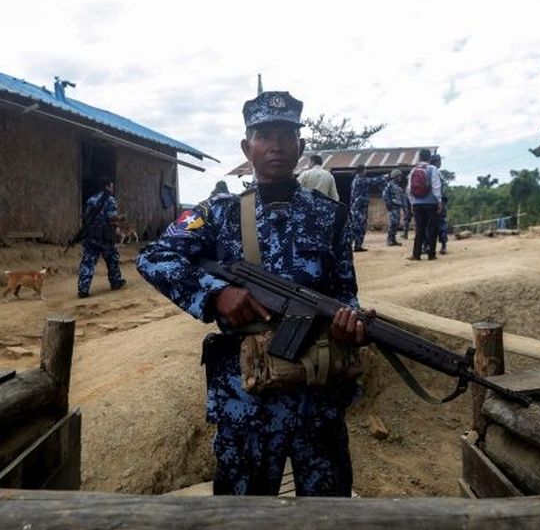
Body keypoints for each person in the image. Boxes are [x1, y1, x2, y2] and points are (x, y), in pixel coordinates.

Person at [136, 90, 367, 497]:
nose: (276, 144)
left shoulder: (331, 216)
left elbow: (346, 294)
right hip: (246, 401)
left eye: (286, 134)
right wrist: (215, 294)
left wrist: (350, 323)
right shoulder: (217, 213)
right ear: (248, 147)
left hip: (318, 398)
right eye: (264, 135)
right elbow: (154, 257)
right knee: (240, 524)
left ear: (301, 145)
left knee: (329, 521)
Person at [77, 178, 126, 298]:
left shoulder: (91, 200)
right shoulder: (110, 200)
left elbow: (87, 217)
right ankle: (115, 281)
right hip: (104, 237)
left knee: (88, 262)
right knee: (112, 259)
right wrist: (120, 220)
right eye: (111, 186)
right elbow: (112, 219)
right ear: (107, 186)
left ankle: (83, 288)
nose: (113, 188)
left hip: (91, 235)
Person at [406, 149, 442, 260]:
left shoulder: (414, 170)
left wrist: (412, 202)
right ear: (429, 158)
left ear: (419, 157)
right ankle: (431, 254)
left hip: (417, 204)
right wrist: (439, 201)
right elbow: (436, 186)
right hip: (431, 203)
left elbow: (409, 189)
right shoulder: (433, 169)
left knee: (419, 229)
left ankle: (416, 254)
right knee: (432, 228)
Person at [349, 166, 382, 252]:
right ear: (362, 171)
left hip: (362, 207)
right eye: (365, 170)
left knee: (362, 227)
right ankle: (350, 245)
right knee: (357, 227)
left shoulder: (360, 179)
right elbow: (372, 181)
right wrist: (385, 177)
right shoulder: (359, 180)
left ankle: (358, 245)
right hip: (357, 208)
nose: (366, 171)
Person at [381, 169, 405, 246]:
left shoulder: (397, 186)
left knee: (396, 223)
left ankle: (393, 239)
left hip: (397, 206)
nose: (400, 178)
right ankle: (389, 239)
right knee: (393, 223)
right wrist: (388, 204)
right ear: (395, 177)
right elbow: (385, 194)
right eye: (399, 176)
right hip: (392, 206)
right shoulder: (390, 185)